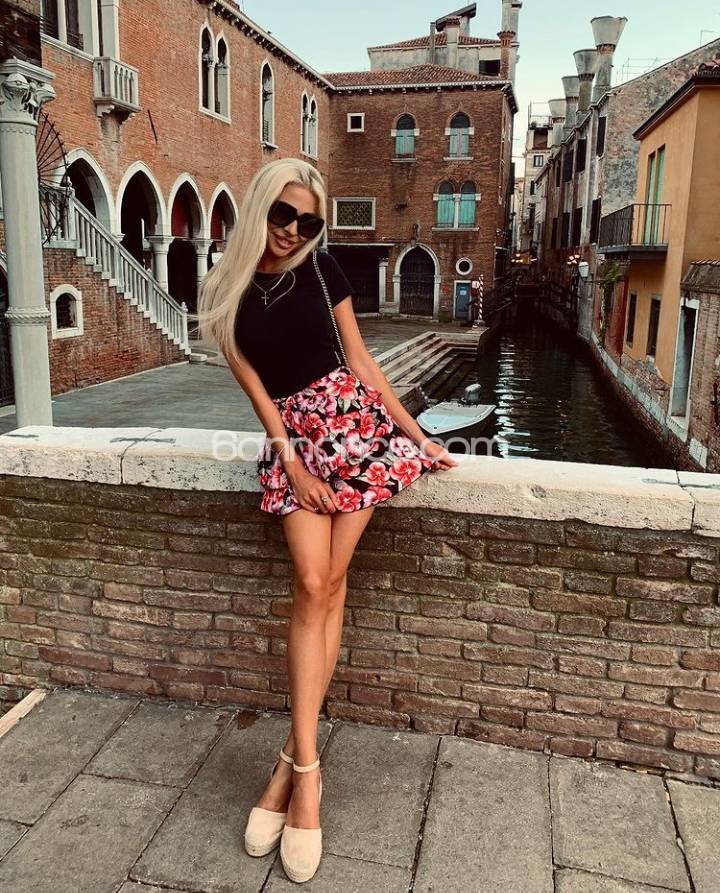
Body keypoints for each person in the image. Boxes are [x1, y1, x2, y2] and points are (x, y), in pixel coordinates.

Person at [197, 157, 457, 884]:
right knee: (314, 583)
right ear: (259, 207)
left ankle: (294, 768)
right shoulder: (225, 291)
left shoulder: (322, 269)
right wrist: (296, 468)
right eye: (283, 214)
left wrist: (417, 435)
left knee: (329, 585)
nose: (292, 230)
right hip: (299, 447)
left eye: (308, 221)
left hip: (358, 430)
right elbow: (260, 395)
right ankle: (303, 767)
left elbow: (363, 363)